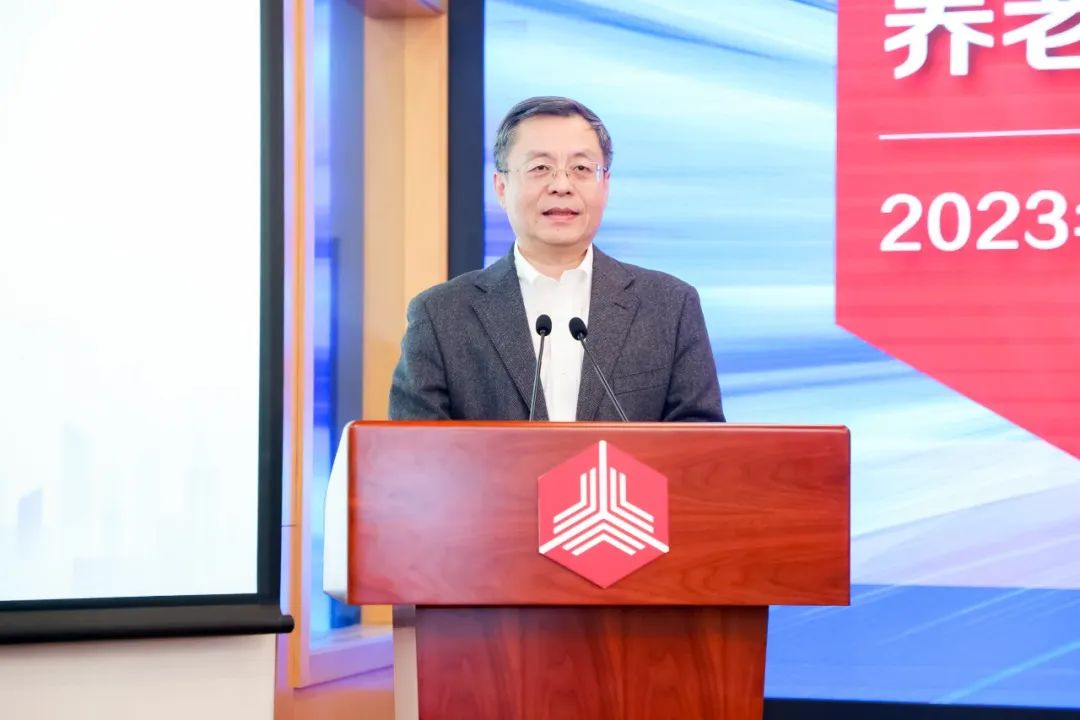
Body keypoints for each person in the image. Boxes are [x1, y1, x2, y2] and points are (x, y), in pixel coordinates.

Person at [388, 96, 724, 422]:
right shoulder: (440, 316)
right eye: (540, 168)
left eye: (581, 168)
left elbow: (703, 446)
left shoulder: (670, 306)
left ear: (605, 184)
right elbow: (414, 452)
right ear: (501, 187)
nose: (561, 185)